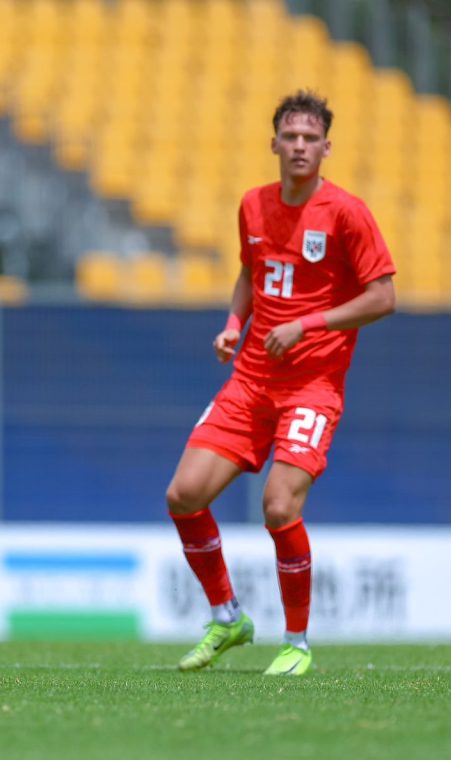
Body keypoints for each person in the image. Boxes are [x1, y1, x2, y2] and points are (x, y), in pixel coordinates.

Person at [165, 91, 396, 676]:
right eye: (290, 137)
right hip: (251, 380)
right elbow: (252, 271)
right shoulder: (253, 205)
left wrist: (307, 325)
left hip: (313, 385)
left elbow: (383, 297)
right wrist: (233, 325)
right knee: (183, 494)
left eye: (310, 138)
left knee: (278, 504)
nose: (299, 146)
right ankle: (227, 616)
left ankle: (297, 642)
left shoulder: (347, 213)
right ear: (273, 144)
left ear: (326, 148)